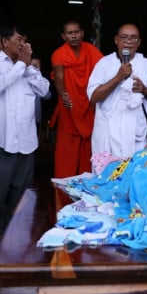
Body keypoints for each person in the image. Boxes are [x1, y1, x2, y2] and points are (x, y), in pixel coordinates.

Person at [0, 26, 50, 240]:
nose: (22, 44)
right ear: (4, 42)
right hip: (1, 137)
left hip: (26, 138)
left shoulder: (28, 68)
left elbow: (45, 90)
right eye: (18, 39)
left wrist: (28, 68)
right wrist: (21, 65)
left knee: (21, 186)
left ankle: (14, 225)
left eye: (24, 40)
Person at [87, 23, 147, 158]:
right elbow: (93, 97)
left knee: (134, 173)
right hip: (107, 133)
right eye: (124, 37)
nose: (128, 41)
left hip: (136, 134)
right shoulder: (104, 63)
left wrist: (144, 90)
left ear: (139, 42)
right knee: (108, 175)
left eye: (133, 38)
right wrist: (118, 78)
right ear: (116, 40)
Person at [50, 20, 103, 178]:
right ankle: (63, 196)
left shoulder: (91, 51)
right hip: (69, 107)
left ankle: (86, 193)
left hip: (88, 108)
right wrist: (63, 94)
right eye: (69, 33)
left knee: (88, 154)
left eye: (76, 32)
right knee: (66, 156)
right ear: (63, 36)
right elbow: (59, 78)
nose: (73, 36)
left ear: (82, 33)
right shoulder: (59, 54)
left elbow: (104, 71)